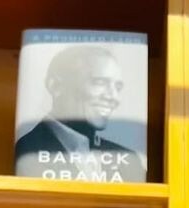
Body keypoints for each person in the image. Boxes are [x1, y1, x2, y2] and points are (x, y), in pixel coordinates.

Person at [15, 44, 143, 182]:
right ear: (56, 86)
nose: (113, 97)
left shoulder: (130, 161)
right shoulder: (26, 152)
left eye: (117, 87)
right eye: (99, 82)